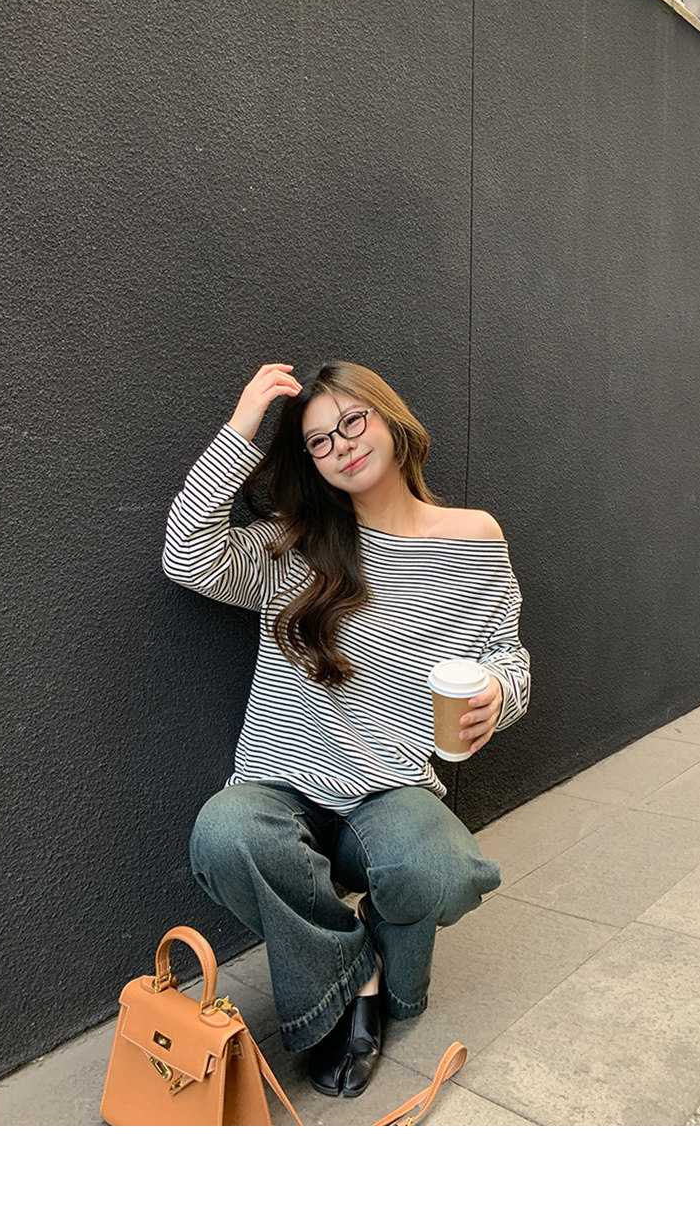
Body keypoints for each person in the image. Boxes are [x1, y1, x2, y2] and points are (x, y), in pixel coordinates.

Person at [163, 361, 530, 1099]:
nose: (342, 444)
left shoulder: (472, 537)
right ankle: (353, 977)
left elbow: (505, 650)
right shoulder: (290, 548)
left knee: (441, 872)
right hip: (279, 784)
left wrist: (501, 691)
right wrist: (241, 427)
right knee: (224, 835)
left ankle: (383, 975)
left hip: (389, 787)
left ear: (389, 419)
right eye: (319, 440)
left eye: (352, 421)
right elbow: (186, 556)